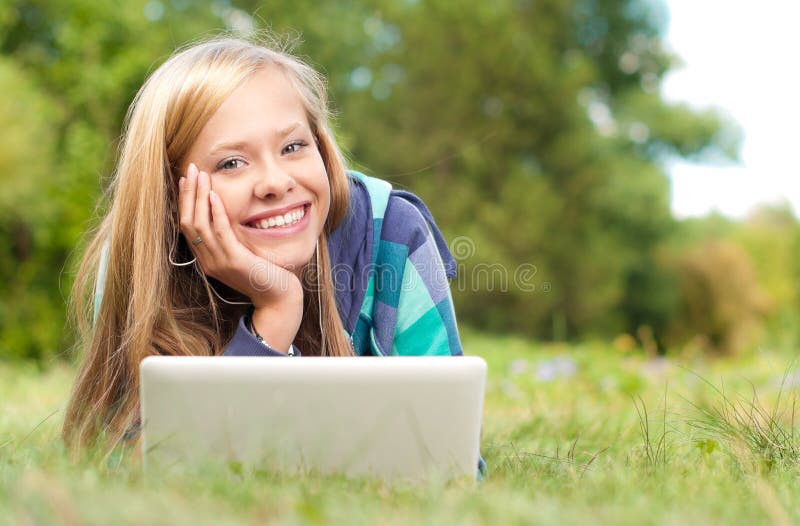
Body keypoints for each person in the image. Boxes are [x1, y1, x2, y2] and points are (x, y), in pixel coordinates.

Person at [62, 35, 466, 457]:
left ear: (322, 149)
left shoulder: (393, 235)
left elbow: (451, 455)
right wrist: (274, 315)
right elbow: (133, 467)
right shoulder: (139, 254)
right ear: (169, 191)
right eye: (231, 163)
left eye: (293, 147)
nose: (275, 182)